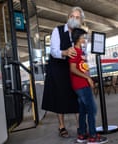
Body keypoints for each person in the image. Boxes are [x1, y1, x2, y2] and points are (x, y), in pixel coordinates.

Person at [42, 7, 85, 138]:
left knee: (78, 97)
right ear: (68, 18)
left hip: (73, 68)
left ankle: (80, 127)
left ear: (81, 21)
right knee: (59, 98)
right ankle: (61, 127)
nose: (74, 19)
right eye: (72, 16)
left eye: (77, 17)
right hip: (58, 68)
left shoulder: (80, 34)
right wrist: (65, 52)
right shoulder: (58, 30)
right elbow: (54, 50)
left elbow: (83, 53)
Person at [69, 28, 108, 144]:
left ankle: (82, 134)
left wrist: (88, 78)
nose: (85, 39)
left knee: (83, 110)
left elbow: (82, 67)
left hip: (83, 84)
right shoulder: (74, 51)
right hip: (81, 85)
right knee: (92, 109)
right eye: (83, 37)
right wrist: (87, 78)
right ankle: (92, 136)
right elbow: (72, 69)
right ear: (78, 39)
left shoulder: (81, 51)